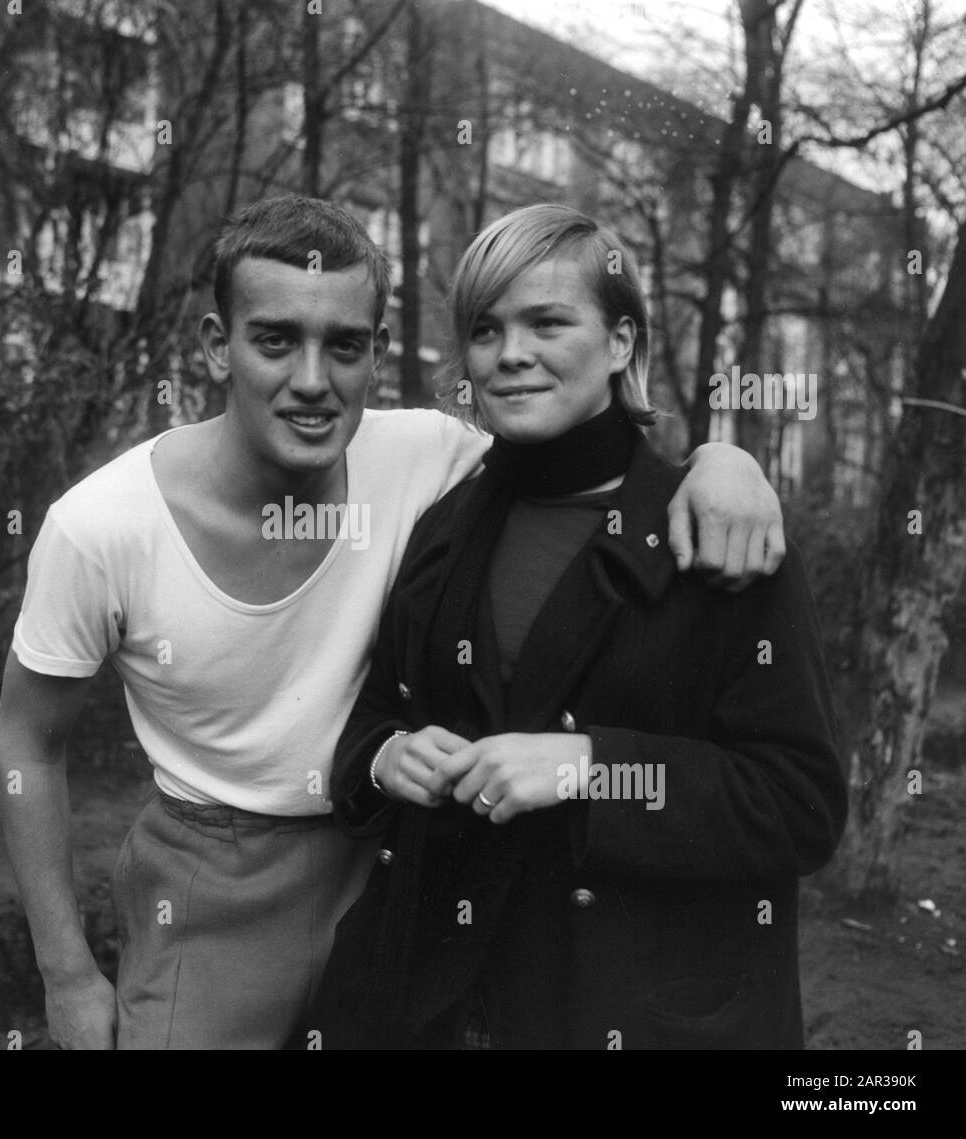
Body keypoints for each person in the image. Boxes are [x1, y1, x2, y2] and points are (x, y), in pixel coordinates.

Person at [0, 194, 789, 1050]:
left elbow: (580, 450)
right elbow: (28, 743)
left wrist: (721, 461)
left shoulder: (428, 457)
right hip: (213, 879)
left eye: (344, 346)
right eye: (274, 339)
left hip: (394, 865)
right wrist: (67, 971)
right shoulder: (102, 525)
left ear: (377, 352)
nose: (311, 379)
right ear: (215, 346)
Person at [308, 203, 848, 1050]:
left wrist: (593, 768)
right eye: (486, 330)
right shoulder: (445, 522)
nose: (510, 354)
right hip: (434, 1003)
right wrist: (386, 756)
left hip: (627, 1010)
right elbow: (370, 723)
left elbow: (799, 802)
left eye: (547, 322)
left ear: (623, 342)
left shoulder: (716, 528)